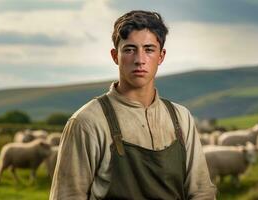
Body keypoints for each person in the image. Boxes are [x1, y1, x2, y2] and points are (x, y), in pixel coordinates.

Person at [49, 10, 216, 200]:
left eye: (149, 49)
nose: (139, 60)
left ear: (161, 56)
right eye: (129, 49)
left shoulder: (180, 118)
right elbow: (68, 195)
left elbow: (202, 191)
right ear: (115, 56)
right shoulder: (87, 121)